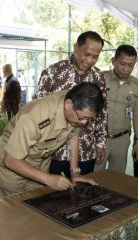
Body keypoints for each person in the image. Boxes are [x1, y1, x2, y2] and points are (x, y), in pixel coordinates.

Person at [0, 82, 104, 197]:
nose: (84, 123)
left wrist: (74, 173)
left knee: (37, 200)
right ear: (68, 104)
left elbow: (73, 137)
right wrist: (48, 179)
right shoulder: (38, 116)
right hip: (13, 163)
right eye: (82, 118)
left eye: (89, 119)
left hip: (40, 160)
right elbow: (10, 160)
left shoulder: (75, 107)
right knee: (14, 205)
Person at [34, 31, 107, 178]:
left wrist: (100, 142)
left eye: (95, 57)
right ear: (76, 48)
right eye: (86, 54)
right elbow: (38, 110)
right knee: (54, 195)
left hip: (86, 149)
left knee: (82, 193)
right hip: (55, 150)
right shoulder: (52, 73)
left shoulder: (98, 77)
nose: (90, 60)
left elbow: (102, 112)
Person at [95, 45, 138, 173]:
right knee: (94, 176)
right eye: (122, 63)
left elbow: (137, 113)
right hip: (99, 139)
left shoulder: (137, 85)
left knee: (117, 179)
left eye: (130, 65)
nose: (126, 69)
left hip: (122, 140)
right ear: (113, 61)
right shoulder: (100, 79)